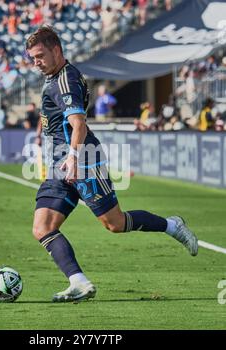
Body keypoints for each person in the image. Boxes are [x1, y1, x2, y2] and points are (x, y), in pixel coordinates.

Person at [26, 26, 198, 303]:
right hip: (62, 163)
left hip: (81, 160)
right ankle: (79, 283)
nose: (35, 62)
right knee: (42, 227)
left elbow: (78, 125)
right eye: (32, 57)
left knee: (115, 224)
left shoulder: (65, 80)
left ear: (56, 50)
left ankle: (172, 225)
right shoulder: (54, 78)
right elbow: (54, 116)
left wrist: (72, 158)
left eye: (39, 55)